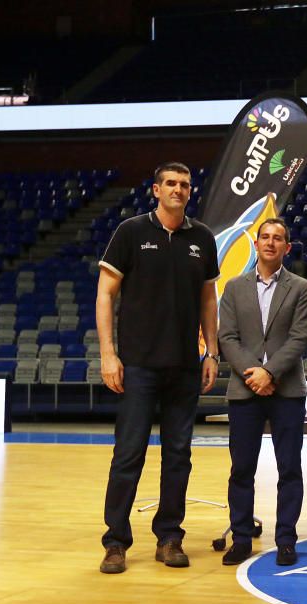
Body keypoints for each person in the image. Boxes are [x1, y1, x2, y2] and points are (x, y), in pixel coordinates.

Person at [97, 161, 220, 574]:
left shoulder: (201, 238)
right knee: (128, 454)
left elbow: (208, 300)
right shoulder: (131, 232)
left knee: (179, 455)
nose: (178, 190)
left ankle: (169, 536)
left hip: (184, 366)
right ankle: (115, 542)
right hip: (138, 367)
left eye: (185, 184)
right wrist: (108, 354)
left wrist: (212, 352)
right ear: (155, 189)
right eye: (171, 183)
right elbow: (105, 294)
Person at [217, 218, 307, 567]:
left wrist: (269, 372)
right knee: (242, 468)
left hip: (286, 390)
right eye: (265, 238)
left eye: (278, 239)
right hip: (245, 391)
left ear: (287, 248)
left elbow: (300, 338)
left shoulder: (300, 287)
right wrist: (253, 374)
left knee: (289, 468)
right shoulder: (234, 287)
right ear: (256, 244)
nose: (271, 243)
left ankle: (286, 539)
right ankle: (241, 537)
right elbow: (226, 337)